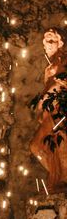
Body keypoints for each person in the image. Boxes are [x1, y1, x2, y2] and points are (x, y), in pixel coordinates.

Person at [30, 28, 67, 193]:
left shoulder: (63, 60)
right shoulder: (50, 67)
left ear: (61, 42)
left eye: (51, 40)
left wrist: (54, 88)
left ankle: (61, 179)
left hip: (60, 113)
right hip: (48, 114)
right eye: (45, 41)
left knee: (59, 146)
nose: (47, 45)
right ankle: (57, 175)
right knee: (37, 146)